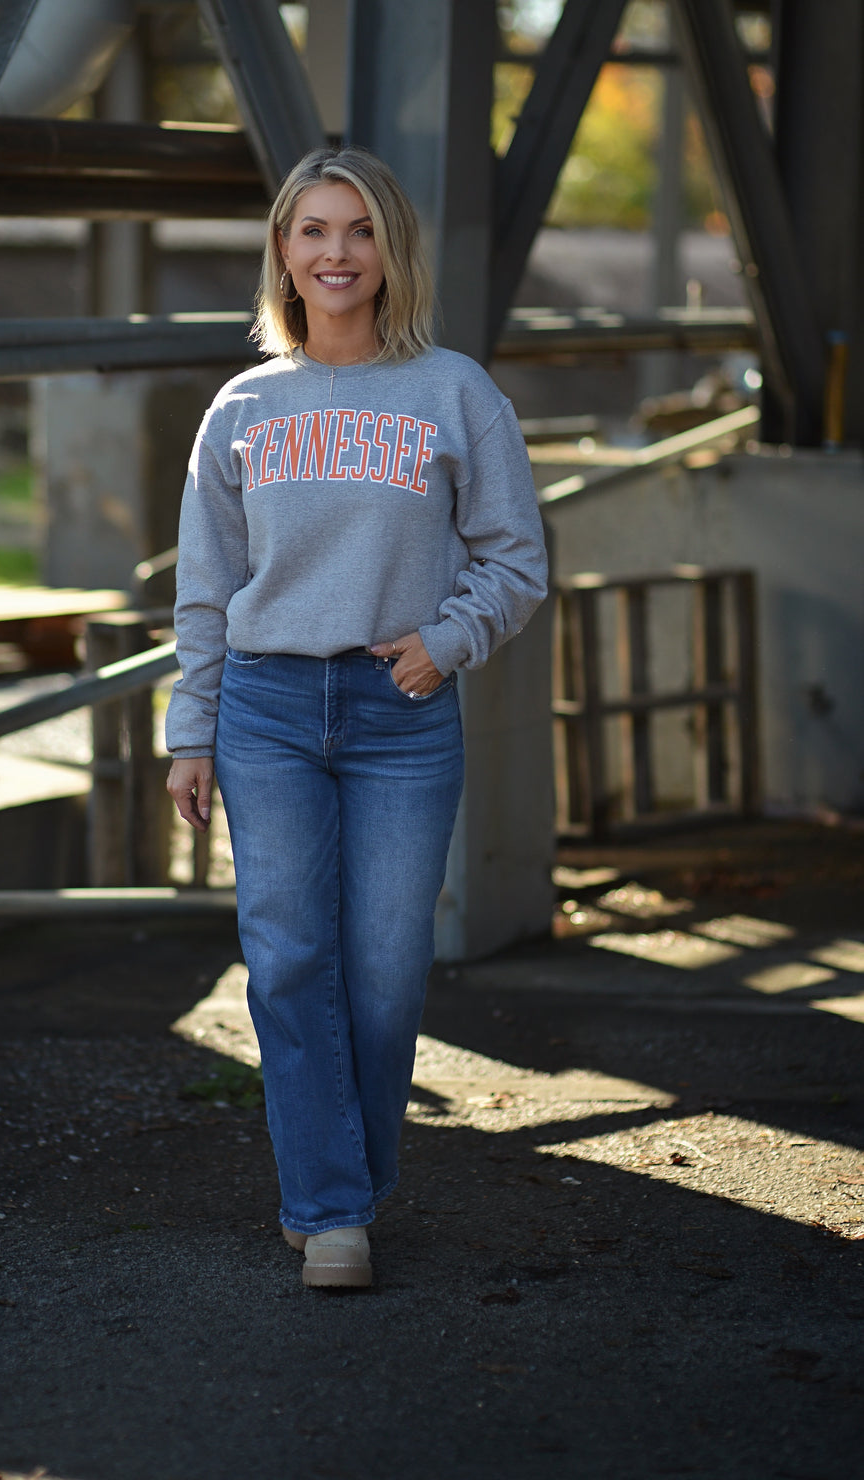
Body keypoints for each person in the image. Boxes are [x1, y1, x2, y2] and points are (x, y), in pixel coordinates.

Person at [165, 145, 547, 1289]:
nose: (335, 253)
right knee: (286, 960)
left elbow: (514, 558)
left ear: (389, 252)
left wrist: (448, 639)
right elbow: (203, 584)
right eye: (312, 231)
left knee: (383, 973)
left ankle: (350, 1184)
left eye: (358, 231)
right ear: (281, 251)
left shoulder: (452, 391)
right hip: (269, 708)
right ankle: (330, 1206)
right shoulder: (241, 406)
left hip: (401, 705)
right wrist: (192, 727)